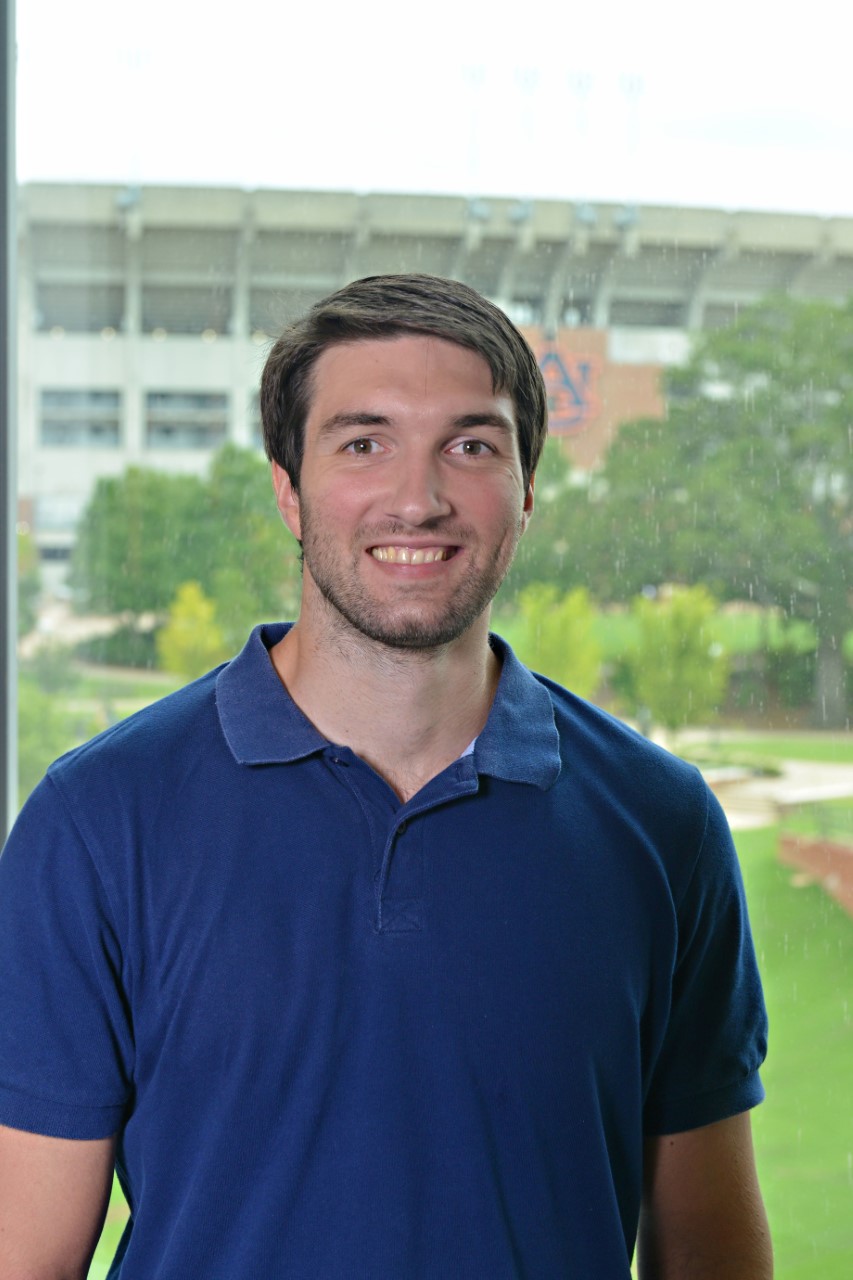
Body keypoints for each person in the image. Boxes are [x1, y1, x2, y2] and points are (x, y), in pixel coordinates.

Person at [0, 274, 771, 1278]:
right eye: (364, 443)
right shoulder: (97, 820)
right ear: (288, 488)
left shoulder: (662, 825)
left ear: (526, 488)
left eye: (471, 445)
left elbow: (709, 1249)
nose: (419, 497)